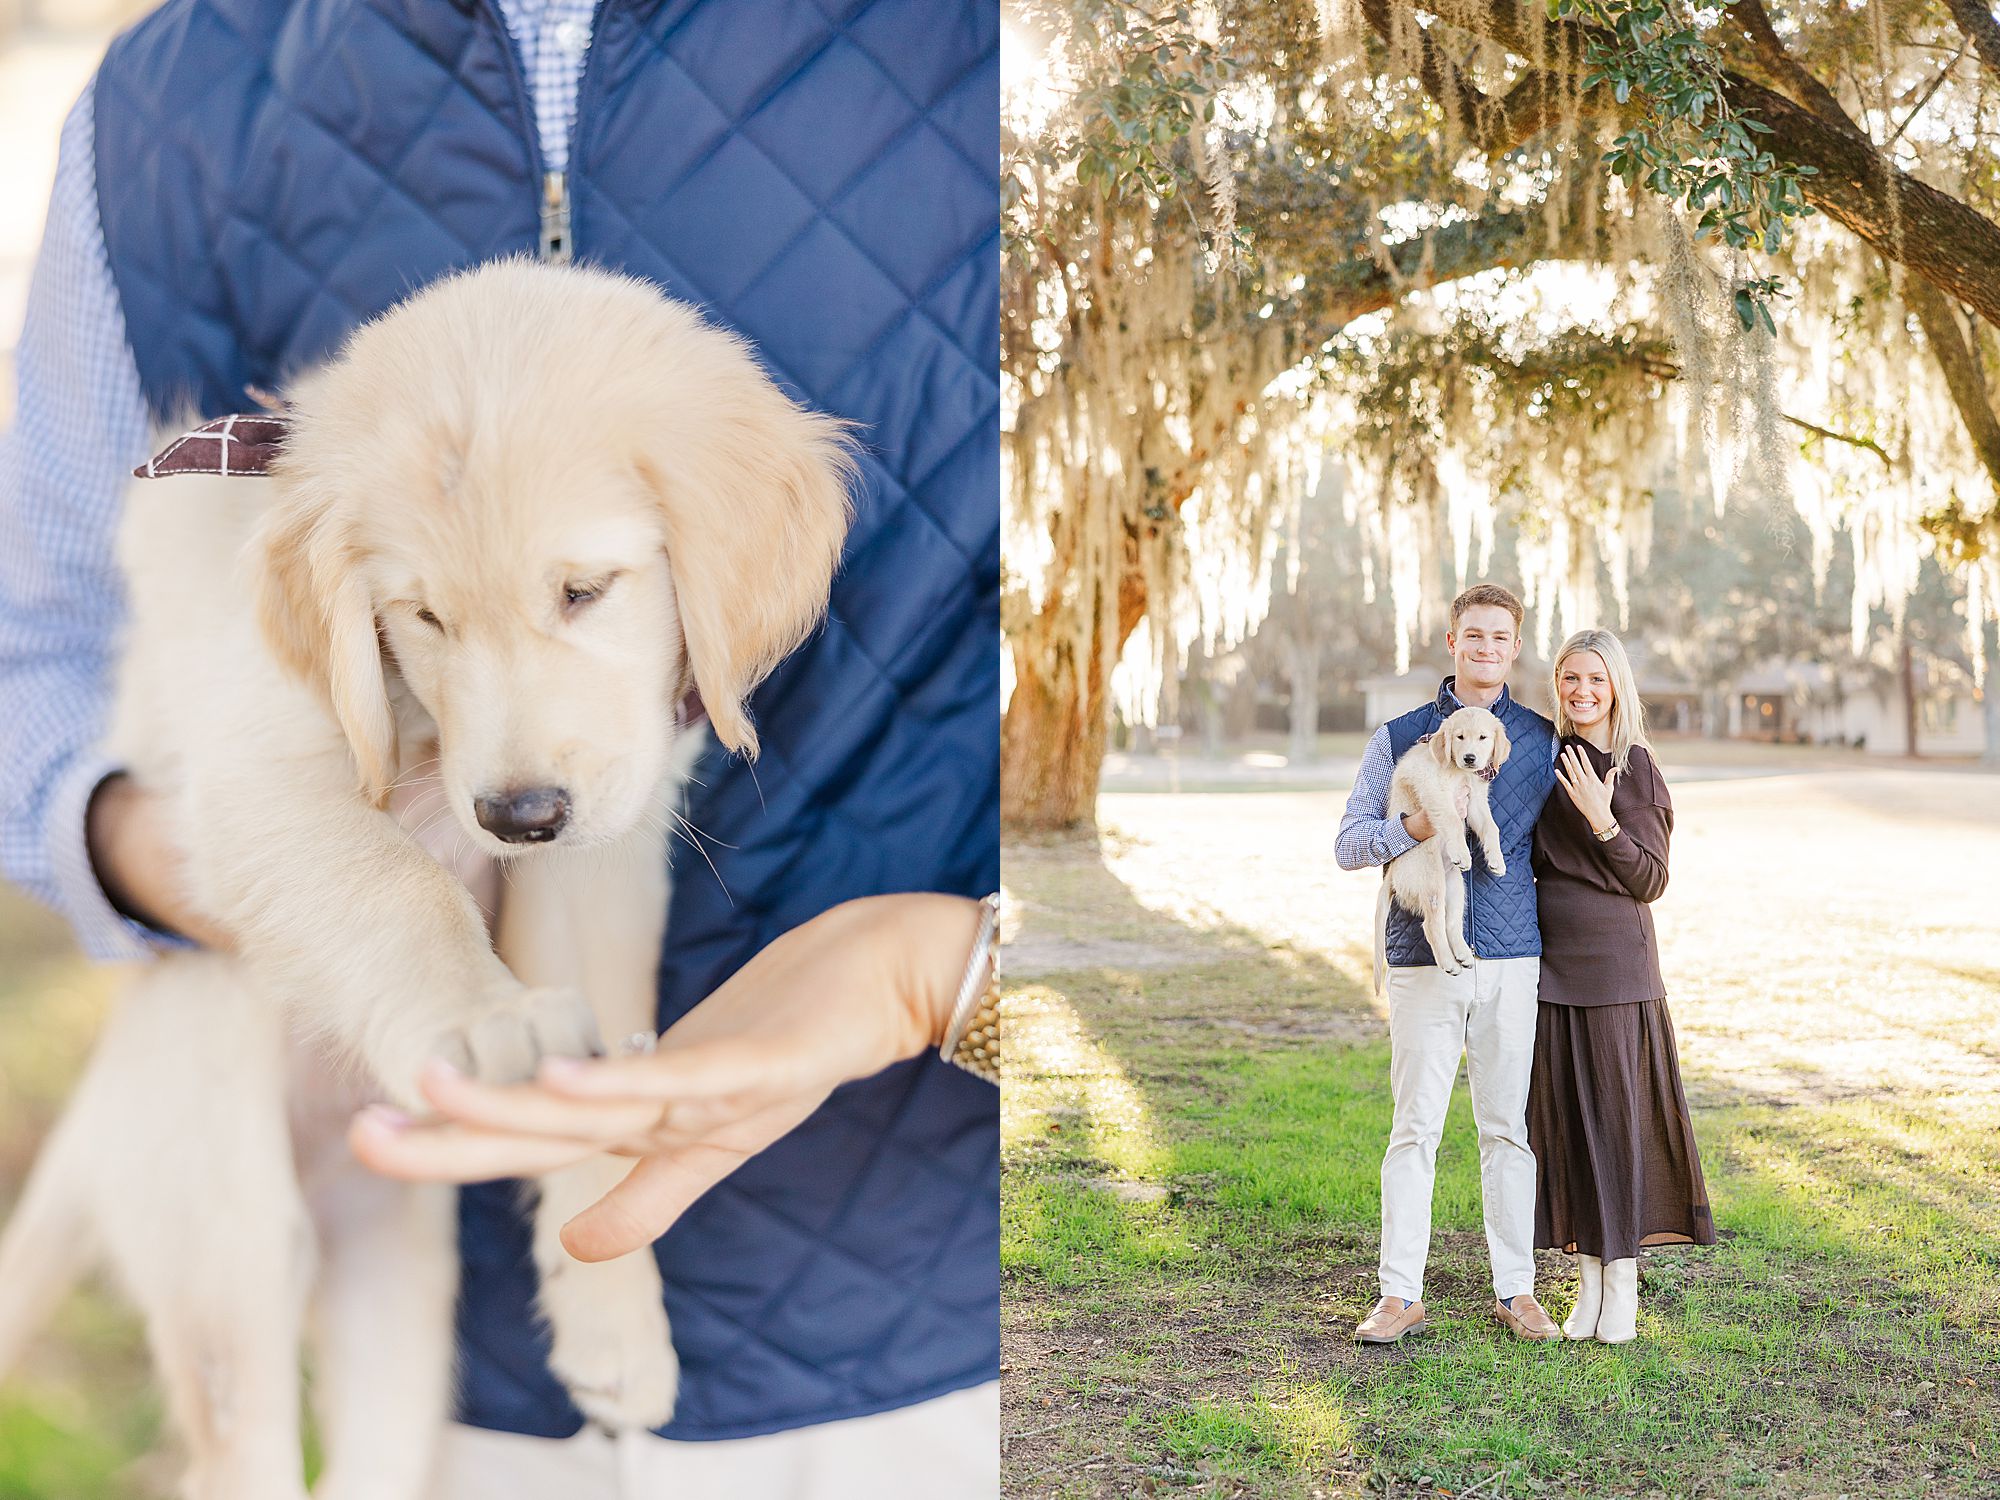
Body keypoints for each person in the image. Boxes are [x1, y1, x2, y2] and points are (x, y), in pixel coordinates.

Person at [0, 0, 1000, 1491]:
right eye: (429, 627)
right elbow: (36, 647)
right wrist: (184, 859)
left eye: (585, 590)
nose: (509, 748)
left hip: (941, 1345)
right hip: (468, 1376)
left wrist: (958, 967)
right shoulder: (168, 97)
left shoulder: (975, 45)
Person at [1335, 583, 1559, 1344]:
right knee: (1416, 1127)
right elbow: (1348, 843)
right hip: (1423, 956)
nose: (1486, 648)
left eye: (1500, 637)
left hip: (1513, 957)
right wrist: (1416, 825)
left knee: (1506, 1129)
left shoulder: (1537, 737)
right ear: (1453, 640)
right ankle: (1399, 1294)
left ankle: (1517, 1291)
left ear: (1515, 647)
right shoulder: (1400, 735)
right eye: (1474, 636)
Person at [1528, 628, 1714, 1344]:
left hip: (1615, 971)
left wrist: (1603, 820)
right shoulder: (1549, 758)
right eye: (1570, 678)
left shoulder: (1634, 766)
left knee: (1615, 1125)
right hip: (1552, 969)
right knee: (1572, 1129)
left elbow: (1651, 879)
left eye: (1595, 680)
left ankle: (1624, 1284)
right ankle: (1588, 1282)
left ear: (1616, 687)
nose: (1581, 692)